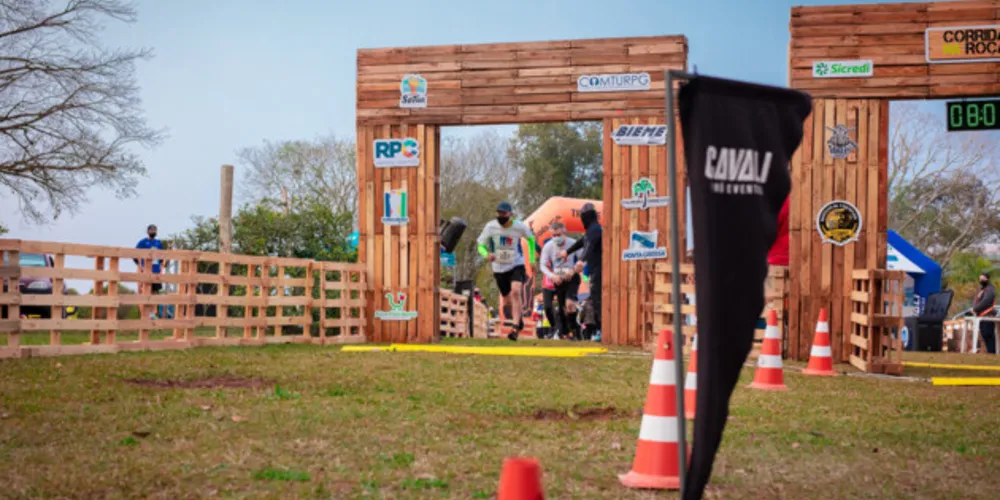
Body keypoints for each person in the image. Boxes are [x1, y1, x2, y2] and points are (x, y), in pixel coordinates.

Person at [477, 201, 536, 341]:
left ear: (510, 214)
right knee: (507, 299)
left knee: (516, 291)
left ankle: (515, 328)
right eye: (499, 213)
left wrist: (532, 259)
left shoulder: (519, 226)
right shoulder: (490, 226)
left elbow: (531, 239)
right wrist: (486, 255)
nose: (501, 216)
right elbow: (480, 245)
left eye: (504, 213)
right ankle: (519, 319)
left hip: (516, 263)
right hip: (499, 267)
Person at [561, 203, 602, 335]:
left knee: (597, 299)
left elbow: (588, 247)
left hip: (599, 269)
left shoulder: (595, 229)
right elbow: (582, 242)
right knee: (595, 299)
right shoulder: (591, 230)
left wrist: (581, 261)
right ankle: (599, 329)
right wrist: (567, 251)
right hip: (595, 269)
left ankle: (601, 329)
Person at [540, 221, 583, 340]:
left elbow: (583, 260)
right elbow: (542, 265)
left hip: (572, 277)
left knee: (570, 304)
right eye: (553, 235)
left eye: (558, 235)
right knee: (563, 308)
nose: (556, 238)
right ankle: (569, 330)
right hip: (558, 279)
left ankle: (575, 331)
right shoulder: (548, 246)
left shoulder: (573, 243)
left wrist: (573, 270)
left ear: (565, 233)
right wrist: (552, 276)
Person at [134, 224, 164, 320]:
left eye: (154, 230)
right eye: (151, 230)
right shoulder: (143, 242)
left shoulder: (158, 243)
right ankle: (146, 314)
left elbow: (162, 256)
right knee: (146, 291)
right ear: (147, 231)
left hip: (156, 270)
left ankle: (154, 313)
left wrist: (161, 266)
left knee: (155, 291)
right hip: (146, 270)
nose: (153, 231)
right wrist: (140, 266)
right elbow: (134, 254)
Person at [973, 273, 996, 354]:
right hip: (981, 316)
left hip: (987, 315)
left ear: (987, 279)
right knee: (984, 335)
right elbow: (978, 301)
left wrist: (975, 309)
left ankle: (992, 352)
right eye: (980, 279)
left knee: (988, 335)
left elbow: (986, 302)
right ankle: (990, 352)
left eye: (983, 279)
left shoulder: (990, 289)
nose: (981, 281)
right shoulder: (982, 290)